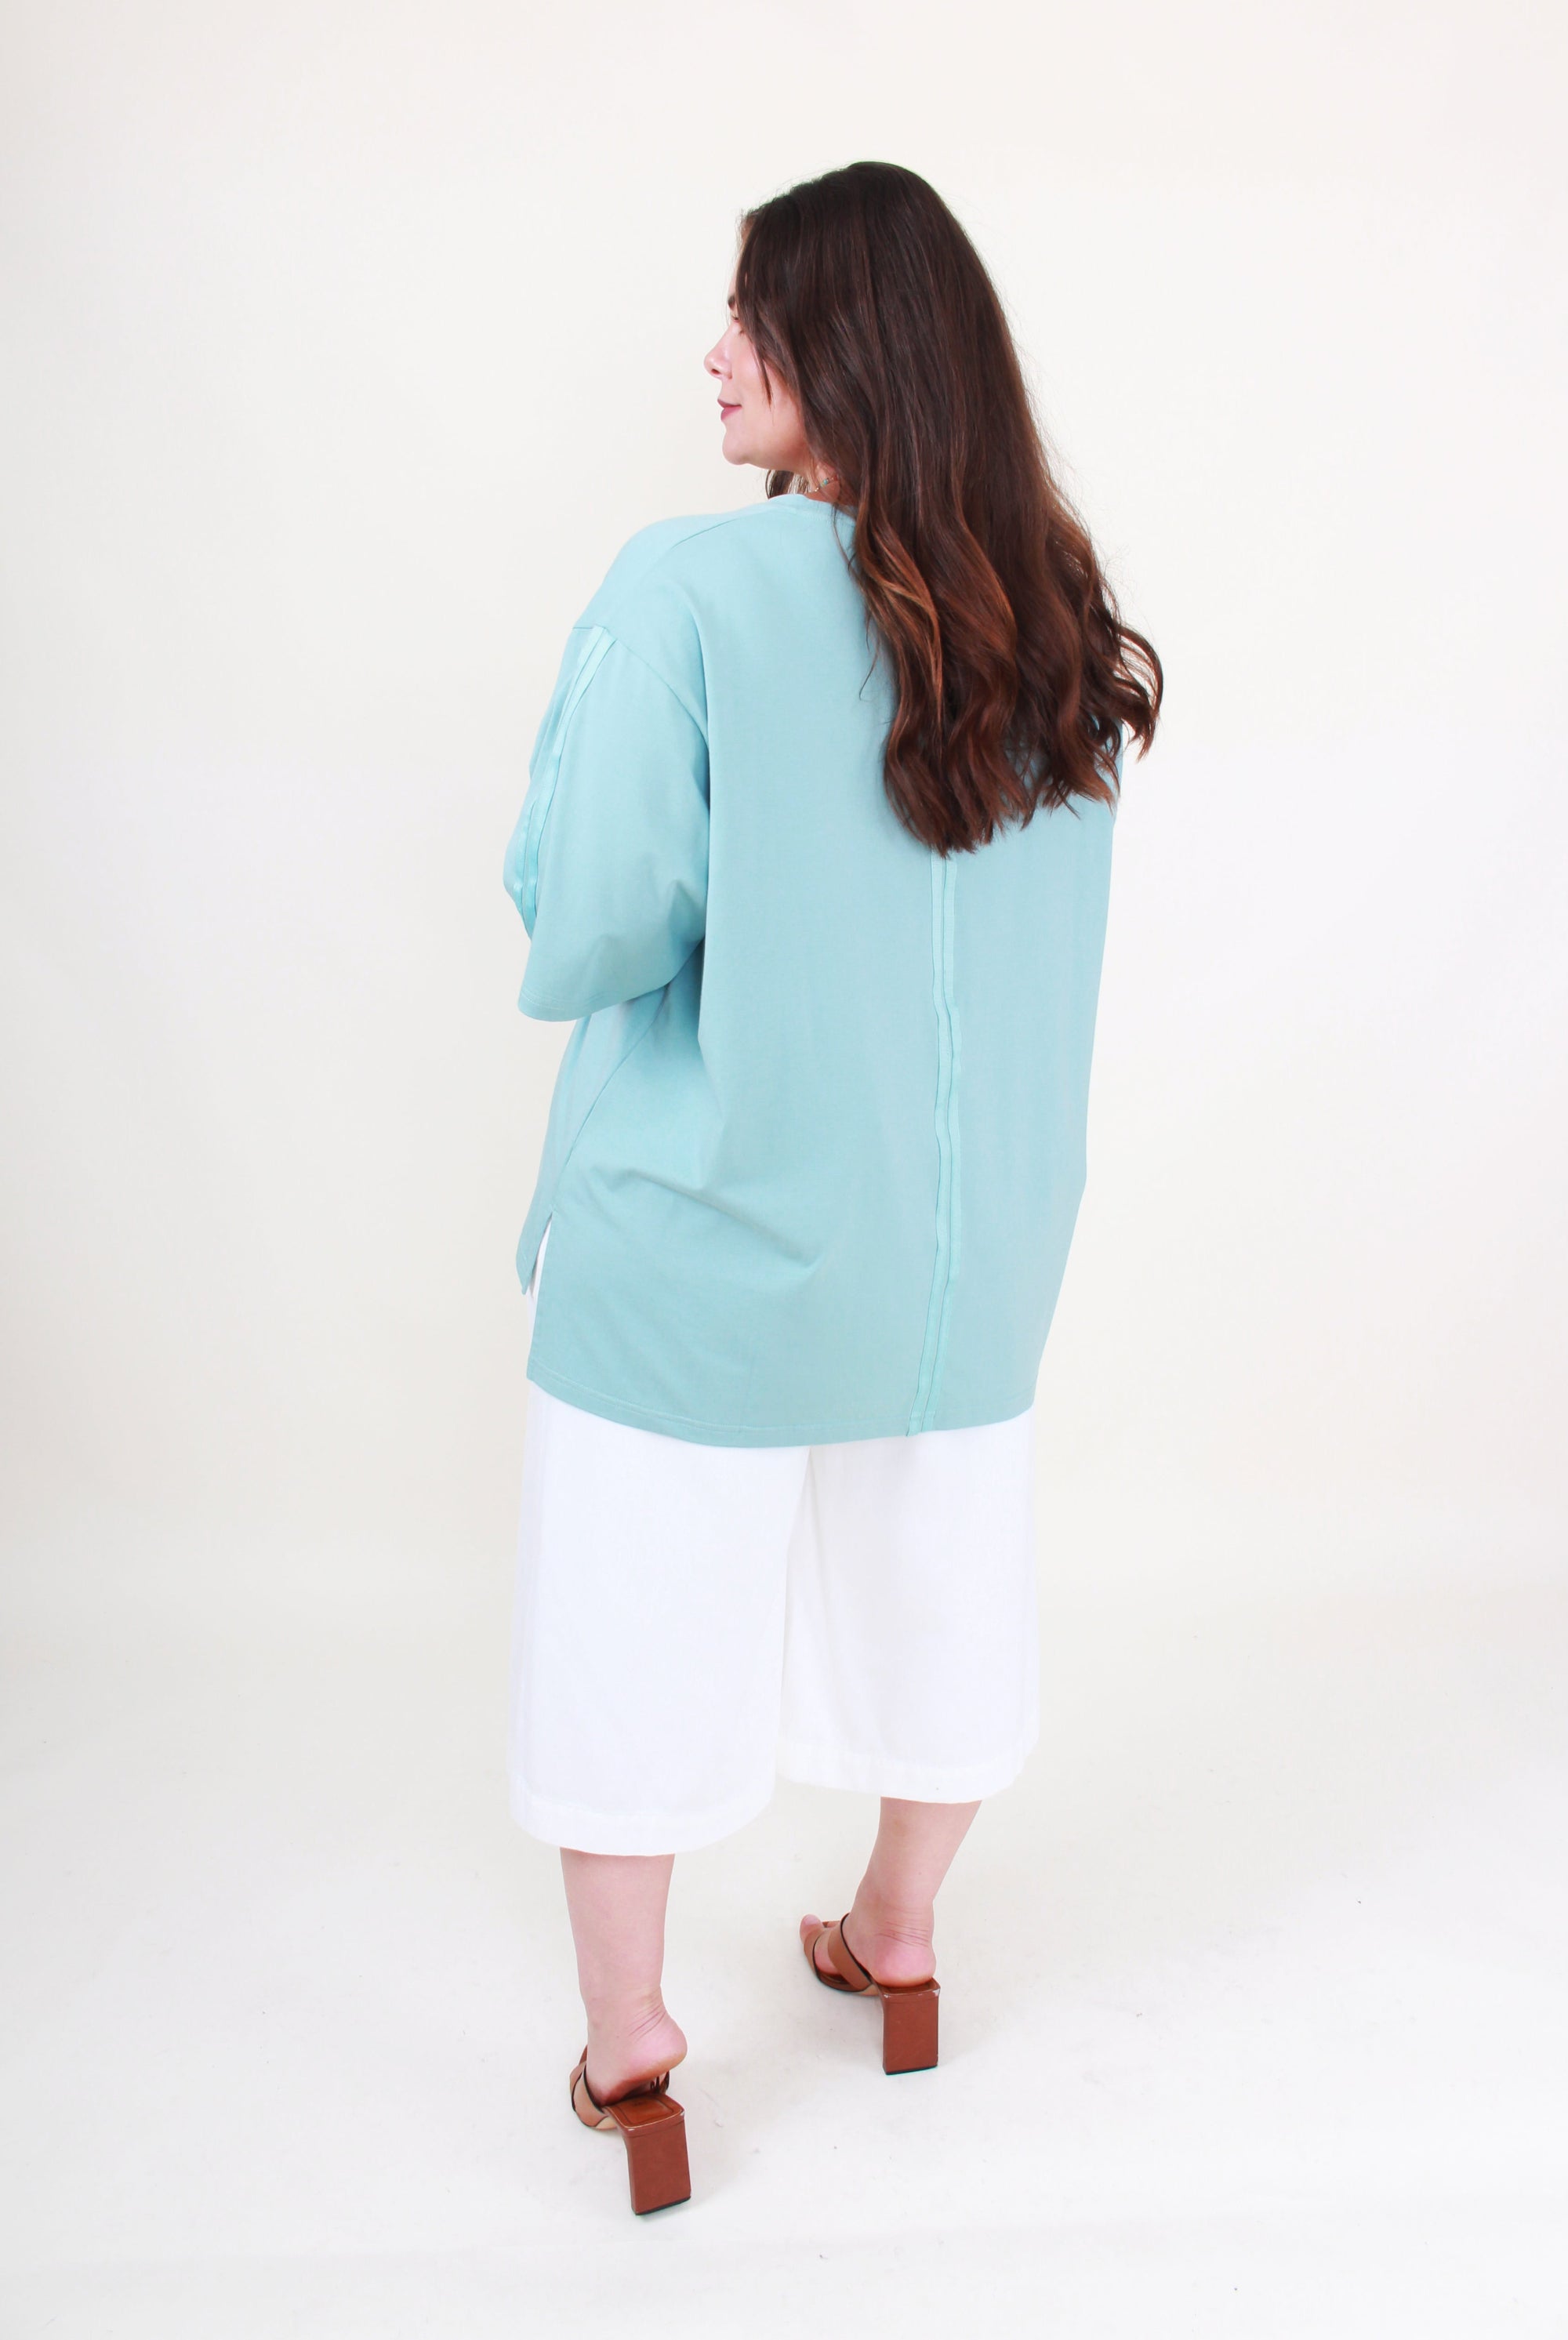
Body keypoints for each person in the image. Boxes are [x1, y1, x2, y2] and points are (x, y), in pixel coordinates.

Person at [501, 160, 1161, 2215]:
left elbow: (592, 916)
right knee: (941, 1597)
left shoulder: (686, 596)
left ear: (841, 349)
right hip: (964, 1269)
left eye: (750, 318)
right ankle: (898, 1934)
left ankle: (637, 2059)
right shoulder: (1055, 618)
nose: (714, 354)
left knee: (632, 1626)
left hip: (708, 1243)